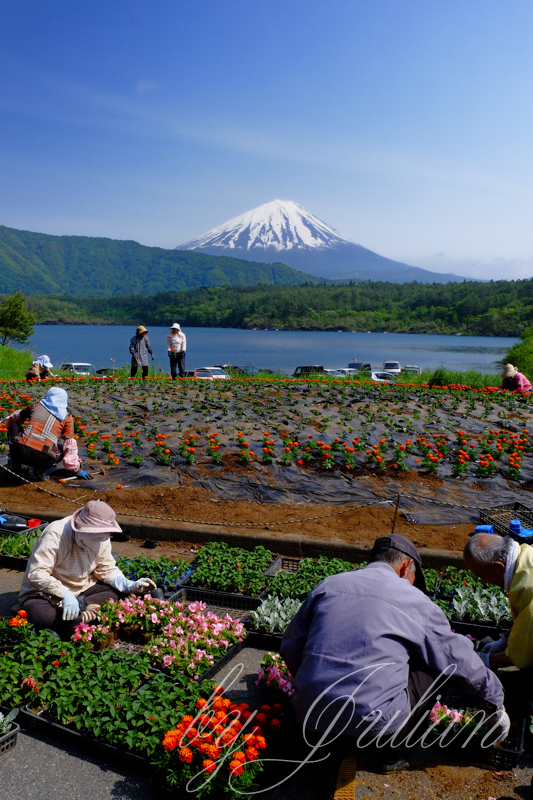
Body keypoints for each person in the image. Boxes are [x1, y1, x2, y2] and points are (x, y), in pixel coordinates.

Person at [280, 534, 508, 779]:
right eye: (412, 579)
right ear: (405, 567)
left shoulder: (328, 585)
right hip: (374, 734)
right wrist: (494, 700)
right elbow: (458, 660)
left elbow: (290, 647)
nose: (410, 584)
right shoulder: (413, 600)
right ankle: (393, 755)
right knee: (435, 665)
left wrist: (313, 685)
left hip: (310, 723)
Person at [15, 500, 157, 639]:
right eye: (96, 536)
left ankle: (75, 618)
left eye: (104, 536)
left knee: (118, 593)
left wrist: (129, 585)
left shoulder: (102, 537)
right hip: (46, 593)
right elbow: (37, 574)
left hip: (81, 589)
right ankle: (82, 615)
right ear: (81, 529)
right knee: (41, 614)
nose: (101, 540)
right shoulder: (55, 535)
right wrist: (65, 594)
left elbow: (106, 569)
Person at [464, 533, 533, 670]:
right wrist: (504, 640)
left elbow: (526, 651)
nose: (485, 581)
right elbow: (524, 620)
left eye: (482, 576)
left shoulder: (528, 587)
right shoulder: (525, 555)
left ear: (498, 566)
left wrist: (486, 661)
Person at [2, 387, 91, 481]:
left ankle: (16, 467)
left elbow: (18, 417)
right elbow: (70, 444)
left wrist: (11, 422)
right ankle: (43, 470)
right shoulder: (67, 418)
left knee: (14, 425)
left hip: (21, 451)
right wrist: (76, 469)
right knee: (61, 448)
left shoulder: (36, 405)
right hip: (44, 458)